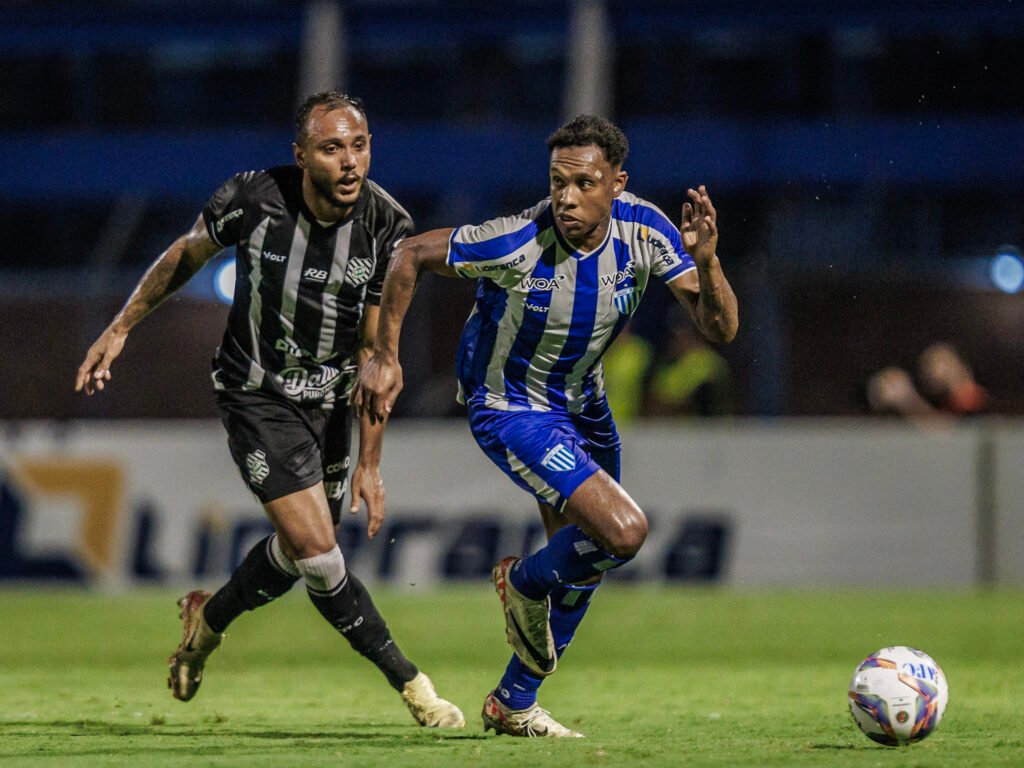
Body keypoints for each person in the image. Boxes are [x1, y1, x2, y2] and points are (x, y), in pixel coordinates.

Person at [74, 91, 464, 729]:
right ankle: (415, 686)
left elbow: (376, 356)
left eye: (359, 146)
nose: (349, 163)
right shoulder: (254, 199)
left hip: (334, 404)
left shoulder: (388, 227)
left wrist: (371, 462)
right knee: (316, 550)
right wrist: (123, 326)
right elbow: (187, 253)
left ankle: (209, 621)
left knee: (298, 554)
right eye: (331, 148)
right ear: (301, 155)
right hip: (256, 393)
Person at [356, 115, 738, 737]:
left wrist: (709, 262)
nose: (565, 197)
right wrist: (385, 355)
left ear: (617, 183)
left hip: (585, 404)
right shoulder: (517, 240)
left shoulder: (646, 230)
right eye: (557, 181)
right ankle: (522, 581)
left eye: (584, 183)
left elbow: (720, 330)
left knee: (586, 561)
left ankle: (513, 702)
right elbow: (410, 254)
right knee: (623, 532)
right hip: (509, 405)